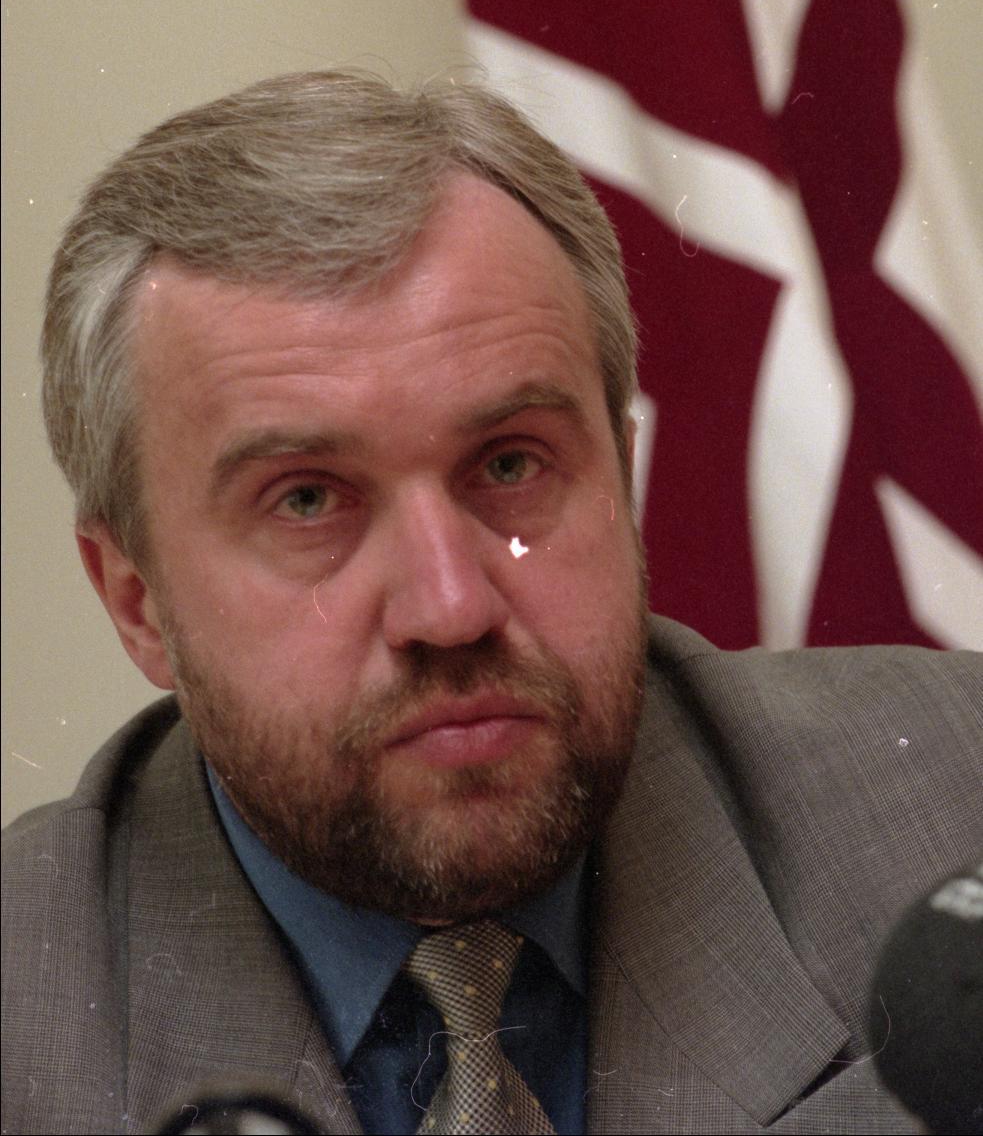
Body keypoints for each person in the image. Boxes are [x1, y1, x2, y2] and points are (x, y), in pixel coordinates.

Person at [2, 70, 980, 1136]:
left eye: (510, 464)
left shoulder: (953, 797)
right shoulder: (32, 1019)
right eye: (308, 499)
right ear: (136, 601)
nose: (450, 606)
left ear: (620, 477)